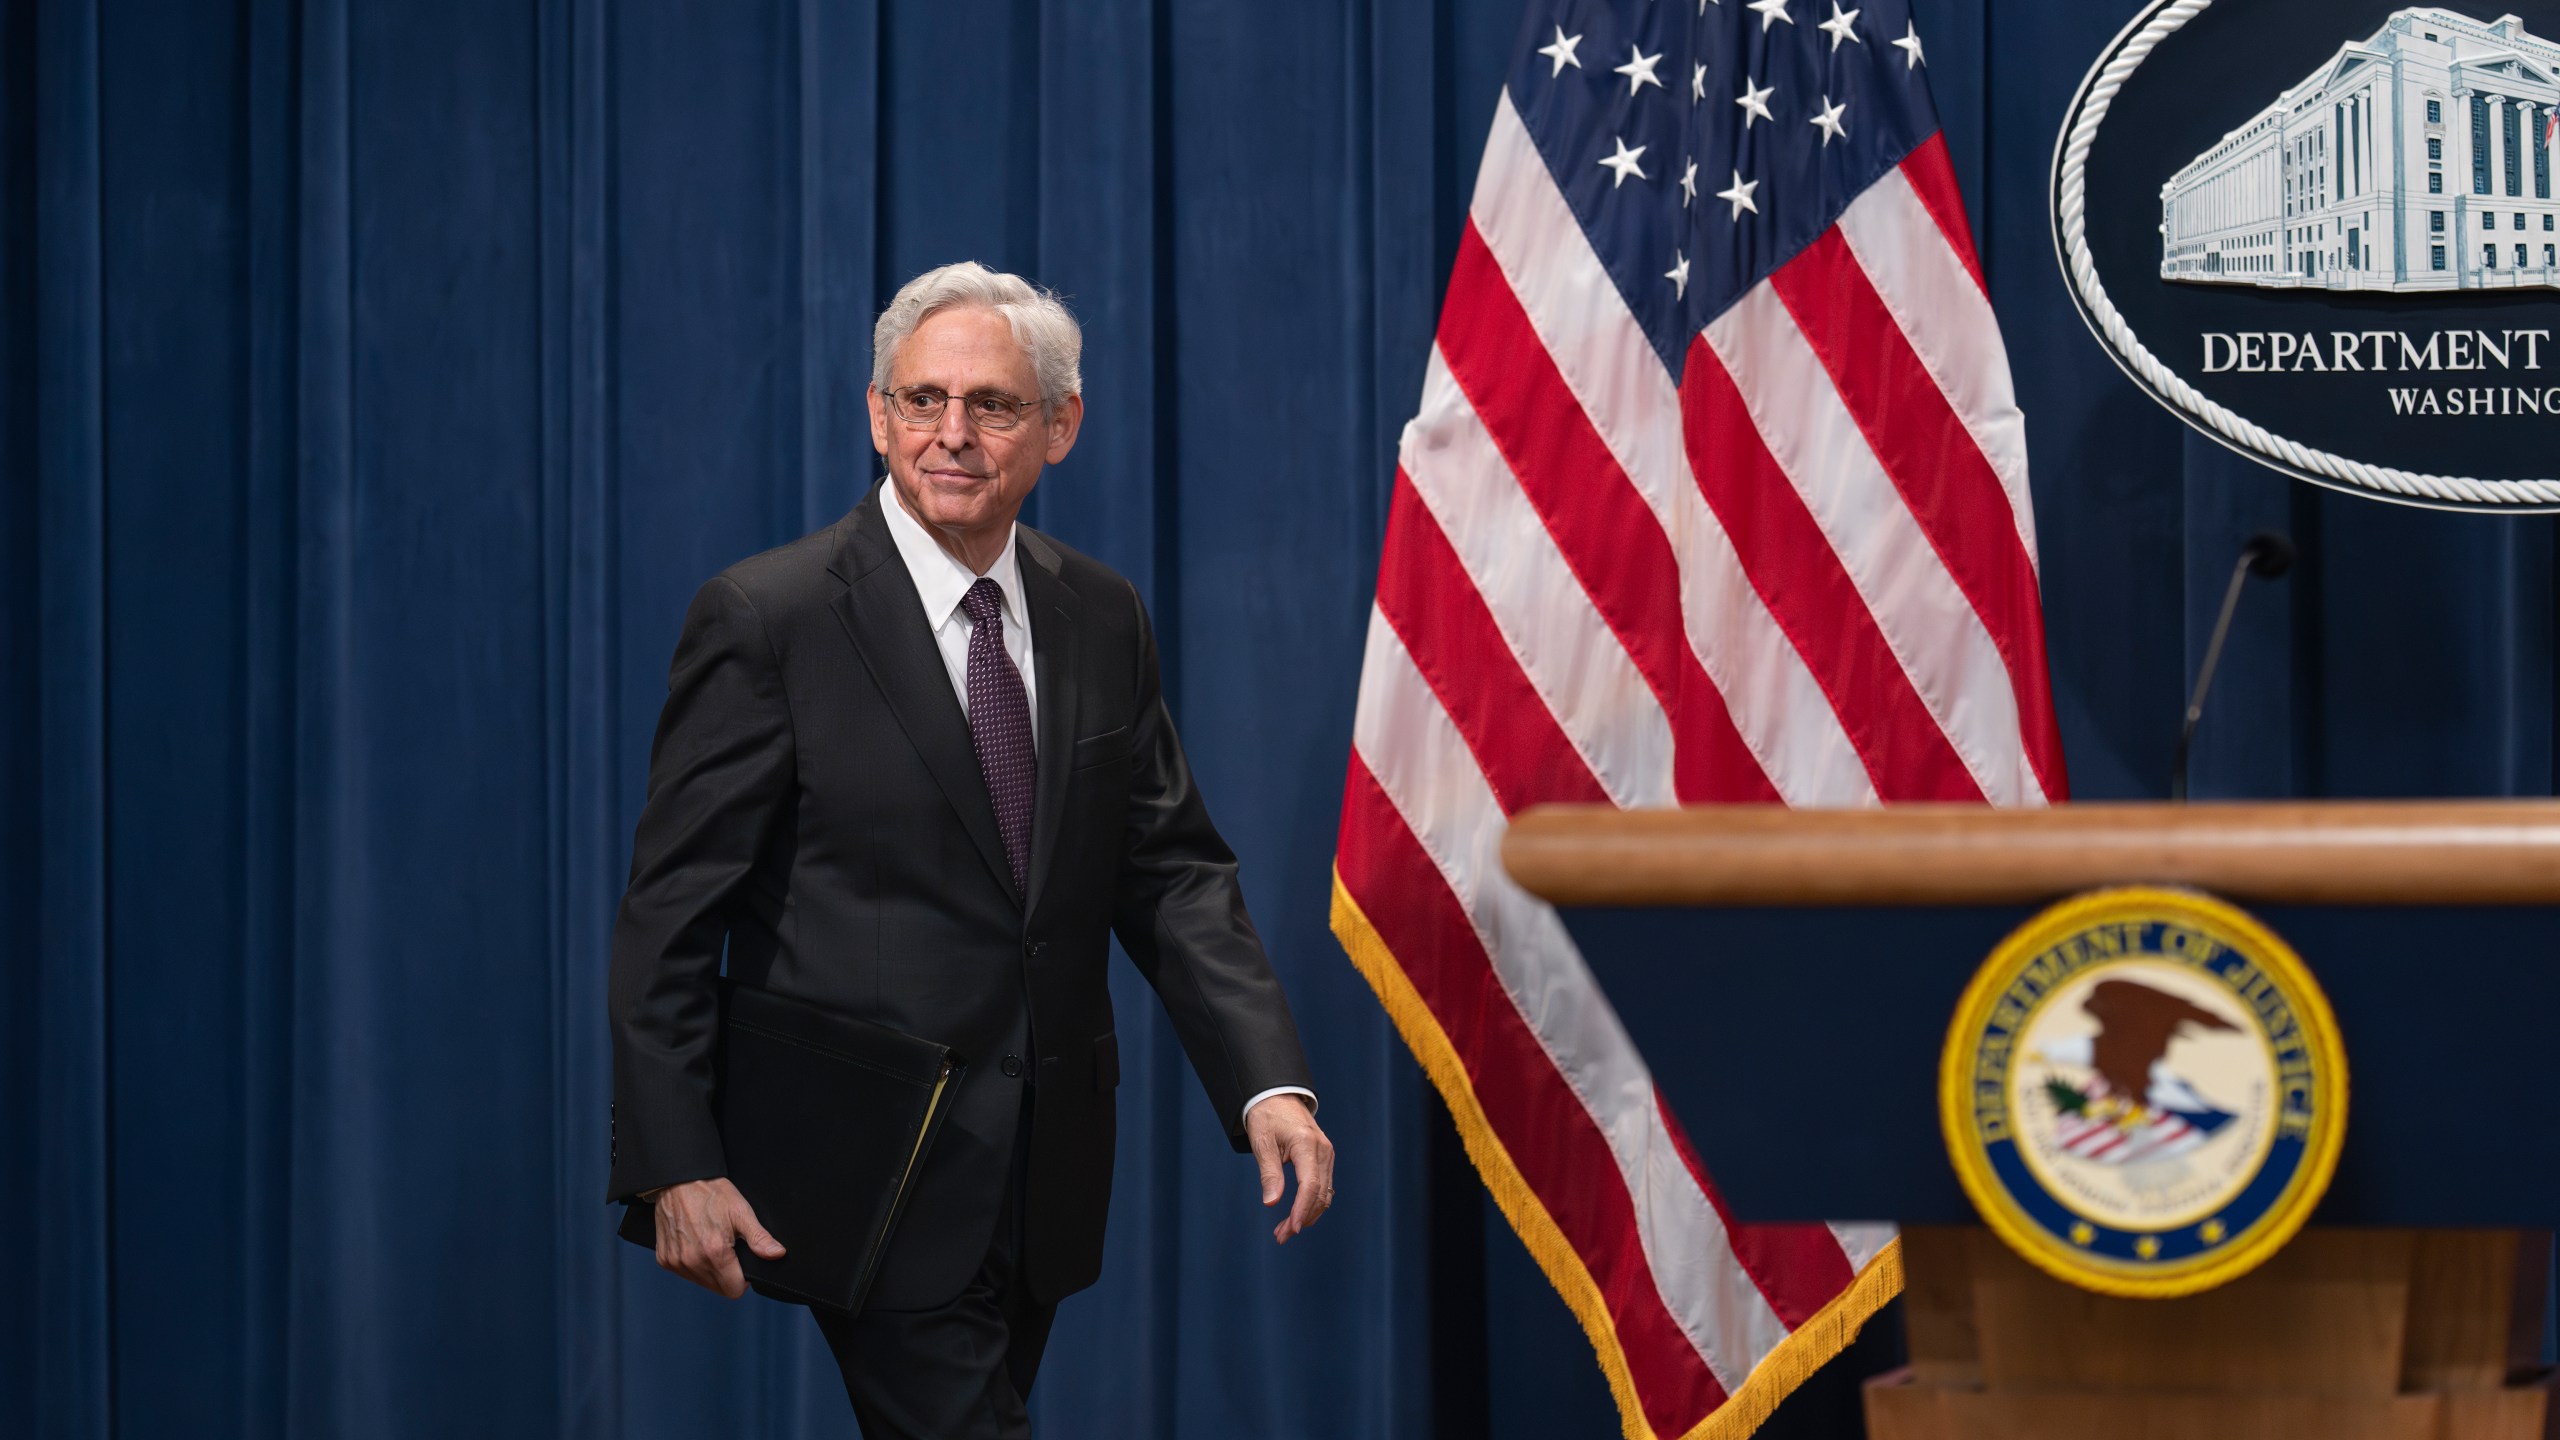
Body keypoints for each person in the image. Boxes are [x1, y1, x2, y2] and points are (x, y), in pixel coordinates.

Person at [605, 261, 1334, 1438]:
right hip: (862, 1169)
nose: (951, 434)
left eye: (991, 405)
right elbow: (671, 913)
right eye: (920, 400)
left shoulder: (1100, 612)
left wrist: (1265, 1082)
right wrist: (672, 1160)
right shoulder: (769, 617)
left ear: (1060, 425)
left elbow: (1169, 872)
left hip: (1043, 1172)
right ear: (877, 414)